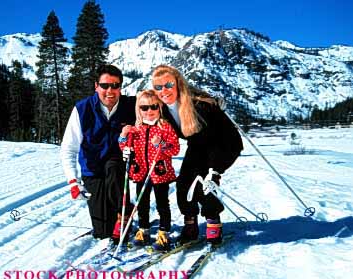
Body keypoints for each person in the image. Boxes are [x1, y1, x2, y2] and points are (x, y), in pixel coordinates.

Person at [151, 65, 243, 244]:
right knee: (184, 184)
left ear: (178, 84)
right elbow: (138, 103)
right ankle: (190, 223)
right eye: (158, 87)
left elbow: (227, 140)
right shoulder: (160, 106)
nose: (164, 91)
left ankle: (213, 220)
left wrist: (215, 170)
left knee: (206, 185)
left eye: (168, 85)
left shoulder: (201, 106)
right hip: (197, 146)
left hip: (221, 145)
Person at [60, 64, 136, 244]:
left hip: (119, 167)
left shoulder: (131, 106)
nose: (110, 90)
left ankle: (124, 212)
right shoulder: (82, 109)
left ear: (121, 87)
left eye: (115, 86)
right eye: (105, 86)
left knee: (113, 166)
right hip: (93, 170)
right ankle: (113, 218)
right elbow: (68, 148)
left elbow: (157, 105)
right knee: (104, 231)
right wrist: (73, 181)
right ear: (96, 86)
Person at [118, 90, 179, 251]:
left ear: (159, 107)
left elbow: (175, 149)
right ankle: (143, 230)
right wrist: (123, 137)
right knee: (141, 203)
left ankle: (163, 232)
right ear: (139, 109)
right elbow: (124, 146)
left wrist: (161, 144)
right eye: (144, 108)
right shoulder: (135, 129)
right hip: (141, 171)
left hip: (159, 173)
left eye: (153, 107)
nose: (149, 111)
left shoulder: (165, 127)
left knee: (162, 203)